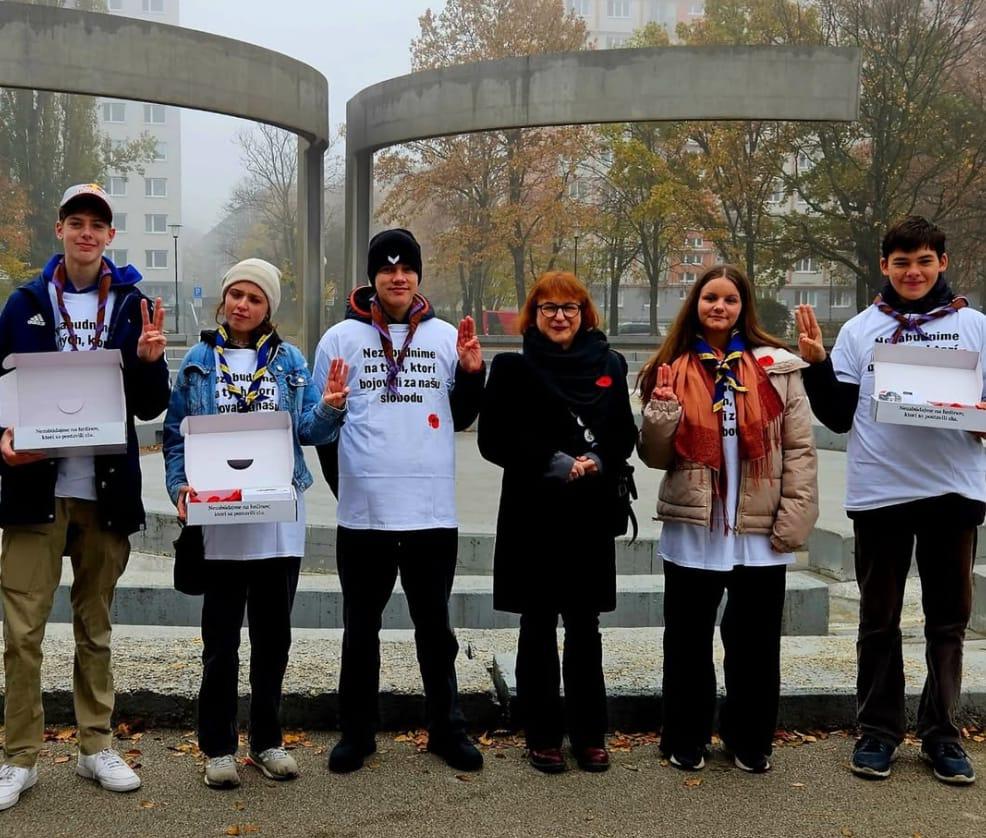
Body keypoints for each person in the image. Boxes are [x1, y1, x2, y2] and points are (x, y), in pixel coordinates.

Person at [795, 216, 984, 785]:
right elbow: (836, 415)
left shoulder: (975, 326)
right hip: (881, 493)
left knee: (947, 623)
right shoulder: (860, 329)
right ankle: (878, 732)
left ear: (942, 263)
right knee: (878, 622)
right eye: (901, 262)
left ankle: (942, 736)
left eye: (924, 260)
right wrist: (817, 363)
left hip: (954, 491)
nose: (913, 272)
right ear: (884, 266)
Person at [0, 183, 170, 810]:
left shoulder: (131, 305)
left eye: (97, 224)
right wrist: (1, 440)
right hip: (31, 492)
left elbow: (150, 406)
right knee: (22, 634)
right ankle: (19, 757)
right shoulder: (21, 304)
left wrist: (151, 362)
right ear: (60, 230)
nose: (87, 233)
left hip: (103, 493)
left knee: (94, 628)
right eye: (76, 222)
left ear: (110, 236)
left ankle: (95, 745)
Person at [163, 258, 349, 789]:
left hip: (276, 523)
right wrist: (179, 486)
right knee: (220, 644)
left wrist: (331, 408)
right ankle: (218, 747)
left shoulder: (289, 360)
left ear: (269, 308)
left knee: (273, 639)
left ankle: (266, 741)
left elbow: (310, 430)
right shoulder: (200, 359)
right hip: (218, 523)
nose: (243, 304)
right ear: (223, 301)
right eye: (236, 295)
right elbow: (177, 434)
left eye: (255, 298)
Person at [312, 228, 485, 774]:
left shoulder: (442, 338)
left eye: (406, 268)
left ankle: (446, 728)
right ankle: (357, 734)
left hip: (432, 513)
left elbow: (462, 416)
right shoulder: (338, 339)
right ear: (372, 278)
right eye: (387, 270)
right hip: (364, 516)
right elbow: (323, 427)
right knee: (360, 629)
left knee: (436, 629)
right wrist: (349, 487)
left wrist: (474, 376)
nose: (397, 277)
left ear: (418, 276)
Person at [637, 264, 818, 775]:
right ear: (695, 304)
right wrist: (662, 411)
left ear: (744, 307)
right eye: (710, 298)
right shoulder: (670, 366)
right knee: (688, 641)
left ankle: (750, 740)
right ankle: (686, 737)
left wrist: (794, 518)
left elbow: (800, 450)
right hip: (696, 526)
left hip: (760, 530)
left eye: (730, 299)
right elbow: (655, 455)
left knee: (755, 643)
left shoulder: (776, 367)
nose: (719, 307)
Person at [477, 272, 637, 774]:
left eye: (570, 306)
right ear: (534, 314)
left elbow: (623, 434)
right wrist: (553, 460)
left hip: (589, 514)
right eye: (549, 308)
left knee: (585, 626)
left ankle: (590, 735)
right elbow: (494, 440)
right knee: (538, 624)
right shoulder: (511, 368)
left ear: (585, 312)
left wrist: (595, 459)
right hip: (534, 514)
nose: (560, 316)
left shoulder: (610, 364)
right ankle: (542, 735)